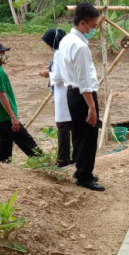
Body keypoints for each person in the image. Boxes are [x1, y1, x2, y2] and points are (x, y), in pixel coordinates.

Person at [58, 2, 104, 192]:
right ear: (83, 23)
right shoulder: (80, 47)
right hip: (83, 95)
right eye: (93, 26)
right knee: (88, 136)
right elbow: (84, 80)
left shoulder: (66, 40)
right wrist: (92, 107)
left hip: (72, 93)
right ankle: (85, 175)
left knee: (78, 134)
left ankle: (80, 169)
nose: (94, 30)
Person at [0, 41, 43, 163]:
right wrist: (13, 117)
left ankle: (4, 168)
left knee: (4, 148)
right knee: (28, 143)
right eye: (2, 53)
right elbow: (2, 95)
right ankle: (44, 163)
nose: (5, 56)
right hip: (6, 116)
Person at [40, 28, 77, 168]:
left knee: (63, 127)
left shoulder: (59, 54)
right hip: (65, 93)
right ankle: (73, 157)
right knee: (69, 126)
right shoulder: (62, 53)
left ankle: (63, 161)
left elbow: (58, 76)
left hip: (63, 93)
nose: (47, 46)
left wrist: (47, 73)